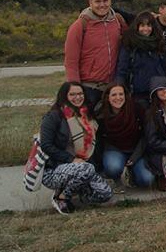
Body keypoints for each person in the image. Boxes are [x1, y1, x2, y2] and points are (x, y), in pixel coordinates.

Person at [39, 82, 113, 214]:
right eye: (72, 94)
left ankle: (76, 190)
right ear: (64, 96)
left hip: (83, 168)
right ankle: (61, 197)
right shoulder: (53, 116)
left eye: (80, 94)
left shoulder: (86, 115)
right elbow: (46, 145)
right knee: (87, 168)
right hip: (55, 169)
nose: (77, 97)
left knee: (105, 193)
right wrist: (71, 159)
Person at [64, 0, 128, 111]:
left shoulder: (117, 21)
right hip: (89, 87)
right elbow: (71, 61)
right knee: (88, 126)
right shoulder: (80, 25)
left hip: (112, 87)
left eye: (105, 1)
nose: (102, 5)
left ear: (110, 1)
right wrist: (76, 89)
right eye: (98, 1)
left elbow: (131, 39)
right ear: (90, 2)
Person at [97, 84, 154, 188]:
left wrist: (135, 156)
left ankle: (132, 175)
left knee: (147, 180)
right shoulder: (101, 113)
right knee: (113, 168)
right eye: (114, 95)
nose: (118, 98)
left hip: (137, 150)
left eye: (121, 94)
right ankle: (116, 178)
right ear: (107, 97)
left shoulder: (137, 109)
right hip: (114, 149)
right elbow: (99, 140)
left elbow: (146, 135)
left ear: (126, 95)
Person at [114, 11, 166, 106]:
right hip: (138, 93)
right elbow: (122, 69)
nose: (146, 29)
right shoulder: (129, 44)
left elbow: (165, 67)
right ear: (137, 27)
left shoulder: (158, 43)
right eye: (142, 26)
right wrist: (119, 88)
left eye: (149, 26)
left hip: (159, 91)